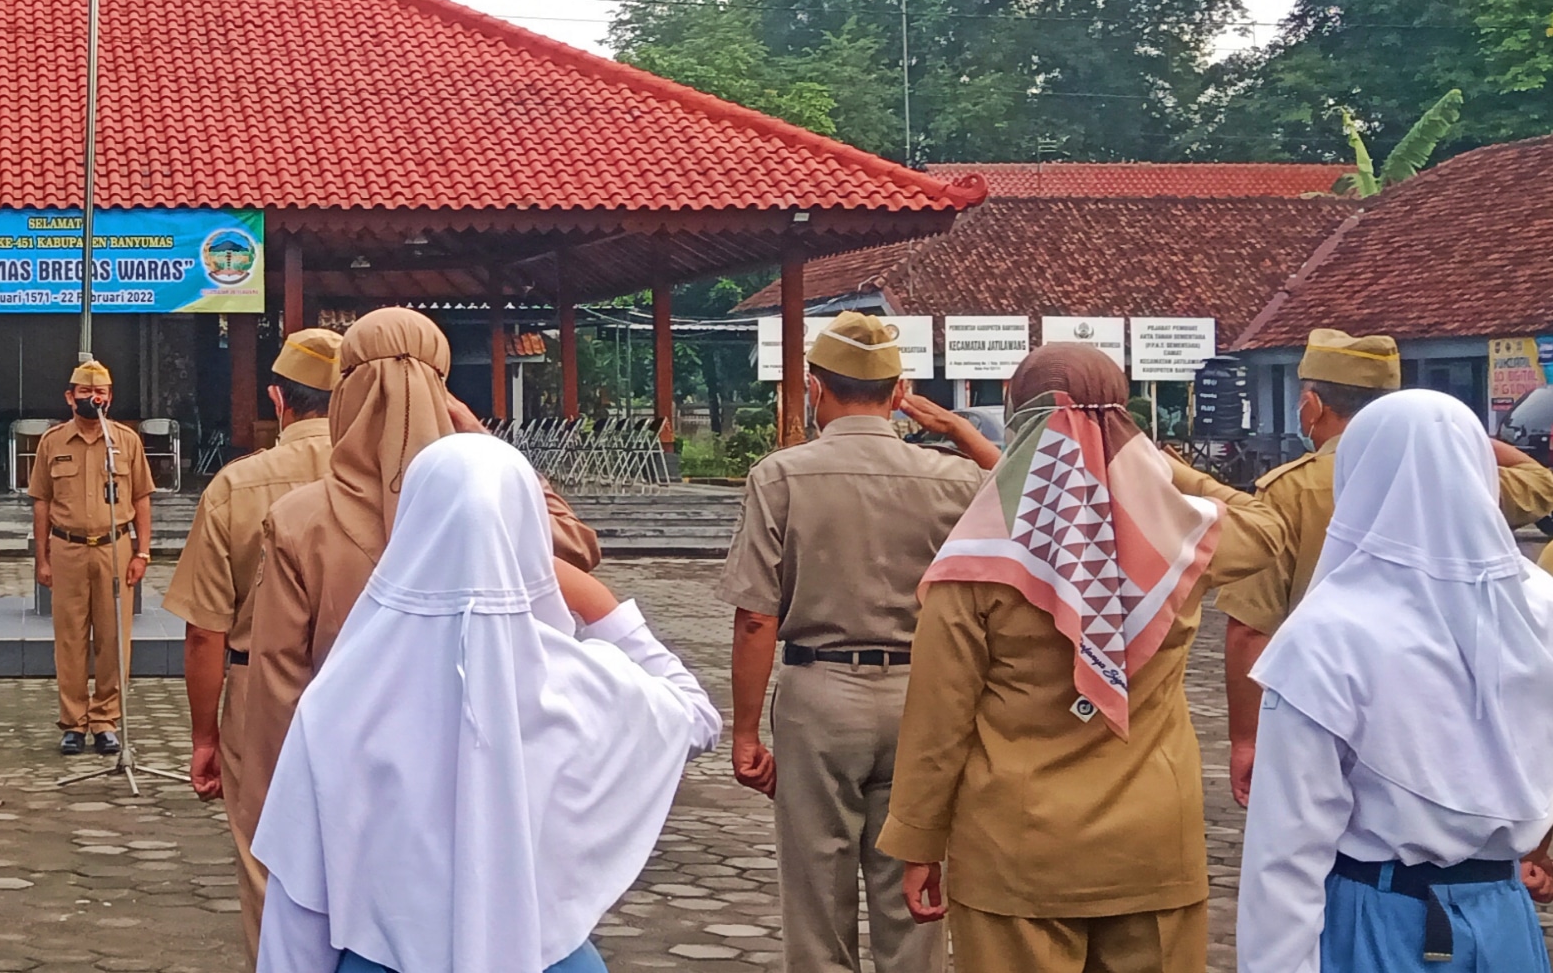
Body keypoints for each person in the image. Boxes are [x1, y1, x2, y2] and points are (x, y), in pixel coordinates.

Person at [880, 343, 1294, 973]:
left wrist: (917, 843)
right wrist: (1160, 468)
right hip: (1152, 843)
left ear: (1018, 420)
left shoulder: (978, 560)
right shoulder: (1179, 539)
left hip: (1015, 850)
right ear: (1126, 425)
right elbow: (1269, 526)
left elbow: (939, 722)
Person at [251, 433, 719, 973]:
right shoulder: (579, 685)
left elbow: (298, 912)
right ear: (526, 533)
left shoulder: (336, 705)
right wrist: (591, 596)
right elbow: (697, 716)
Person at [233, 308, 602, 838]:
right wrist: (487, 443)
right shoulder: (491, 505)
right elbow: (577, 547)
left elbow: (279, 689)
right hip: (477, 779)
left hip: (351, 782)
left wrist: (277, 817)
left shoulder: (300, 519)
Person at [715, 311, 998, 973]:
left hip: (819, 695)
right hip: (923, 696)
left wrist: (747, 732)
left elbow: (756, 616)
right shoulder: (951, 479)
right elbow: (1027, 496)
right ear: (900, 391)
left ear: (815, 387)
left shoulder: (781, 477)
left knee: (816, 895)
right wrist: (961, 431)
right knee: (915, 892)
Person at [1237, 390, 1553, 972]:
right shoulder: (1542, 606)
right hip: (1505, 920)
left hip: (1381, 918)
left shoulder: (1328, 634)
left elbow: (1286, 854)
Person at [1217, 329, 1553, 805]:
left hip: (1321, 697)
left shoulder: (1289, 490)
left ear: (1312, 407)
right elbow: (1541, 481)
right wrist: (1463, 439)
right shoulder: (1467, 479)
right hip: (1446, 704)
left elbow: (1251, 628)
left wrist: (1247, 738)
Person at [163, 326, 344, 953]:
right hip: (376, 691)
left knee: (268, 862)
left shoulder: (237, 486)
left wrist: (205, 734)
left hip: (262, 699)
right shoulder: (398, 478)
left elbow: (203, 631)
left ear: (277, 398)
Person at [29, 359, 156, 756]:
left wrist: (143, 552)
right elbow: (41, 503)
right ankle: (72, 722)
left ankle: (105, 720)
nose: (93, 399)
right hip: (67, 548)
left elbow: (142, 498)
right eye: (85, 392)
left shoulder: (126, 441)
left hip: (115, 548)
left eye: (100, 392)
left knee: (114, 637)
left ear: (110, 397)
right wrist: (42, 558)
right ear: (70, 397)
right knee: (69, 639)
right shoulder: (52, 442)